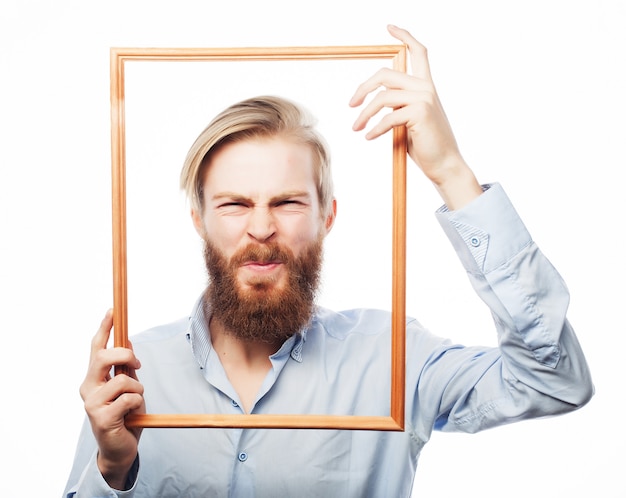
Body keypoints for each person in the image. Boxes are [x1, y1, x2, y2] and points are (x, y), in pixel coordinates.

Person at [63, 25, 593, 497]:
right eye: (235, 204)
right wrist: (112, 469)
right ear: (199, 218)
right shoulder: (132, 376)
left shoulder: (393, 361)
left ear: (327, 216)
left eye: (288, 202)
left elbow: (555, 381)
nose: (262, 228)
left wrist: (450, 171)